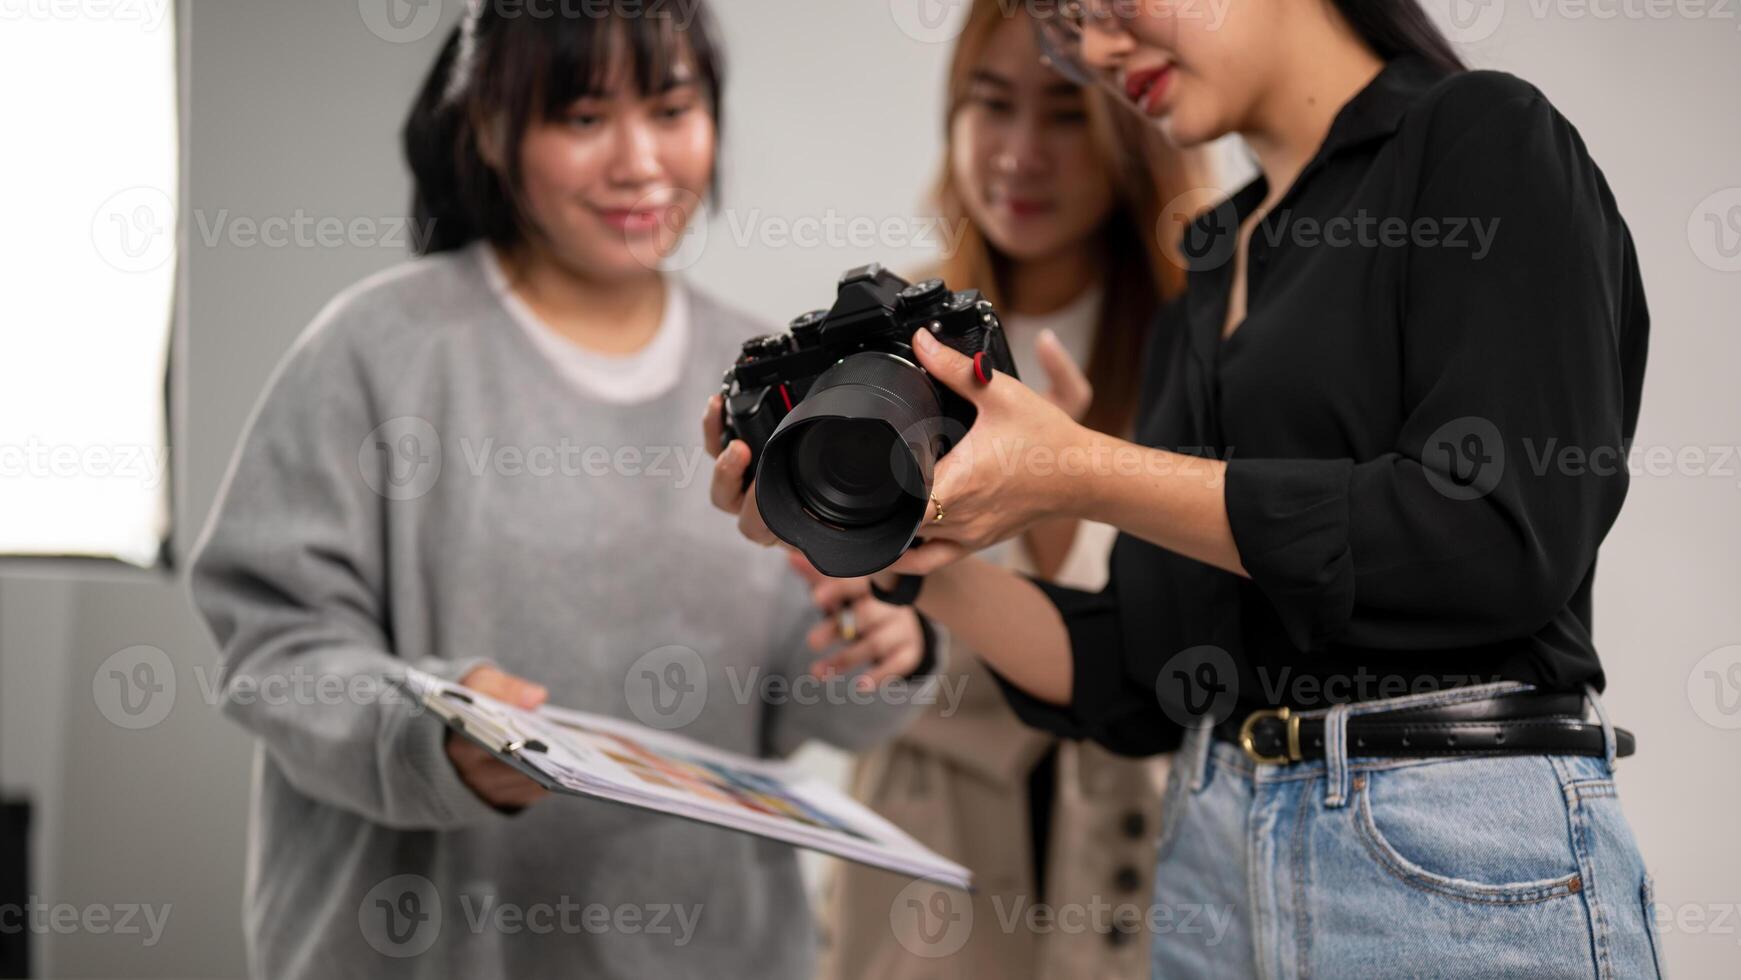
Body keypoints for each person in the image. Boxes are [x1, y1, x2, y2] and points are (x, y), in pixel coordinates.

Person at [710, 1, 1659, 976]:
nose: (1096, 51)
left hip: (1447, 845)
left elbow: (1494, 533)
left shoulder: (1479, 138)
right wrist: (902, 553)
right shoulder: (1210, 264)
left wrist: (1080, 469)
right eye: (1068, 27)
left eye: (1109, 8)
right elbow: (1144, 670)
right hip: (1212, 847)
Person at [188, 4, 942, 978]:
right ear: (491, 130)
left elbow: (808, 700)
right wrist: (429, 737)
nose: (638, 162)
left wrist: (883, 645)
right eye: (583, 119)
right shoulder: (376, 352)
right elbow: (275, 648)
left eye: (671, 110)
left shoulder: (771, 377)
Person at [808, 1, 1204, 976]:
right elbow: (830, 615)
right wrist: (888, 628)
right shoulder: (885, 335)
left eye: (1066, 113)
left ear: (1133, 119)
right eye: (990, 104)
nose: (1021, 153)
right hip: (924, 856)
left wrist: (1068, 475)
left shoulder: (1198, 342)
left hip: (1138, 847)